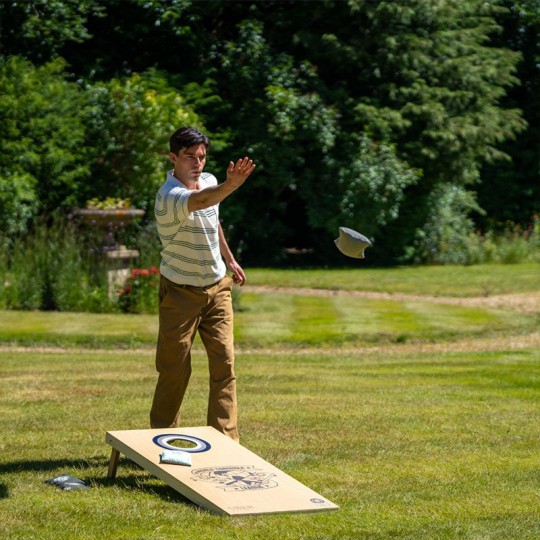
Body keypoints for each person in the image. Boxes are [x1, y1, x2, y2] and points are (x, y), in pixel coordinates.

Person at [149, 126, 256, 442]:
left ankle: (226, 441)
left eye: (202, 157)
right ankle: (161, 439)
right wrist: (232, 185)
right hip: (180, 293)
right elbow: (201, 200)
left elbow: (212, 215)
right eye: (190, 157)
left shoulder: (210, 181)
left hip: (217, 288)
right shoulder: (170, 196)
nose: (197, 163)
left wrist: (230, 258)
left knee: (225, 366)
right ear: (173, 158)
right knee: (174, 370)